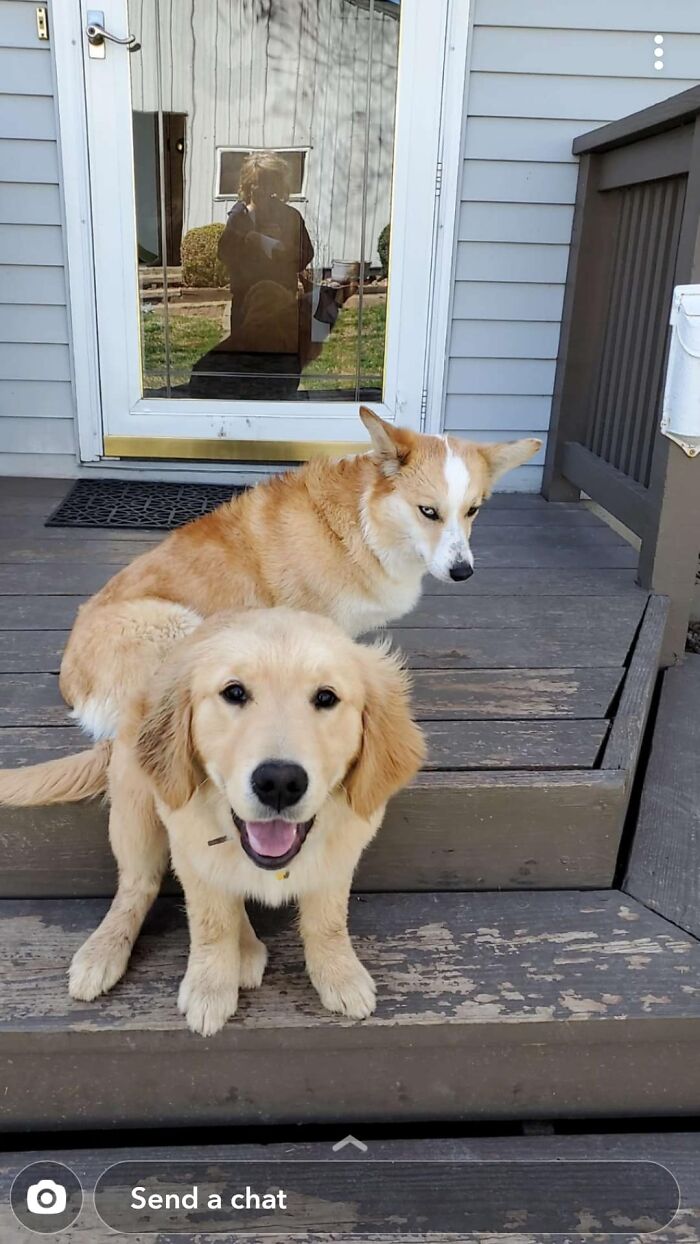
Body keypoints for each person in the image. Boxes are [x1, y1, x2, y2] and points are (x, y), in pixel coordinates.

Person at [189, 152, 314, 399]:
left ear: (278, 185)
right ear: (247, 185)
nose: (262, 188)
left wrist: (274, 248)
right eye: (257, 182)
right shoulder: (239, 218)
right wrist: (248, 239)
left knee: (283, 366)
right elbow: (225, 253)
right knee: (246, 365)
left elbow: (304, 254)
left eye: (269, 182)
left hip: (280, 304)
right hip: (246, 305)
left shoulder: (290, 217)